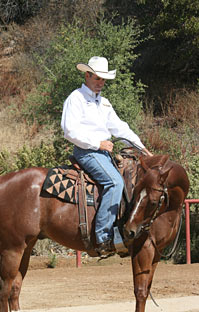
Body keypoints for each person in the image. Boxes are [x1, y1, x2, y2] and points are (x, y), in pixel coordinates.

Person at [61, 56, 152, 255]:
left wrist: (142, 148)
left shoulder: (104, 103)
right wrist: (98, 143)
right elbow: (69, 131)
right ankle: (103, 238)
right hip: (87, 152)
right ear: (87, 75)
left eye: (103, 79)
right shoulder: (75, 98)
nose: (101, 83)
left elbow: (120, 128)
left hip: (103, 154)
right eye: (97, 78)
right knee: (115, 182)